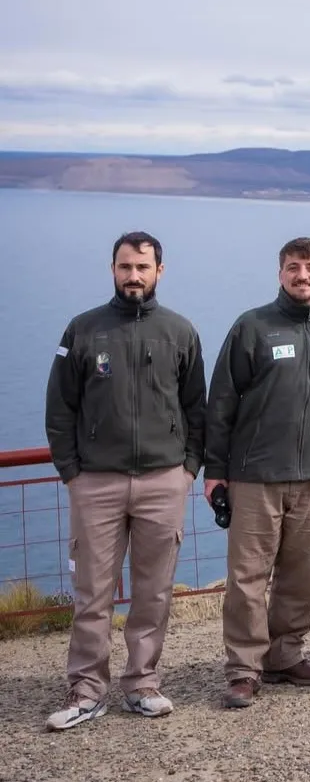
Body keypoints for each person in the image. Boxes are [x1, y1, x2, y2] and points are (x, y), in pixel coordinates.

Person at [43, 231, 206, 731]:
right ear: (112, 269)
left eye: (142, 266)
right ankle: (87, 690)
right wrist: (72, 473)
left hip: (163, 481)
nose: (133, 275)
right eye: (125, 266)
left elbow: (196, 409)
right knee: (92, 592)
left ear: (160, 269)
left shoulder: (180, 332)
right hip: (96, 483)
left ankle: (142, 683)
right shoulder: (82, 330)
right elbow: (60, 408)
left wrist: (187, 470)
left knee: (153, 592)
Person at [204, 237, 310, 708]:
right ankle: (243, 669)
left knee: (300, 573)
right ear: (280, 273)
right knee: (248, 575)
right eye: (294, 268)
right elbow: (222, 401)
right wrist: (215, 469)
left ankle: (284, 655)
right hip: (254, 474)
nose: (303, 276)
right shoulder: (252, 326)